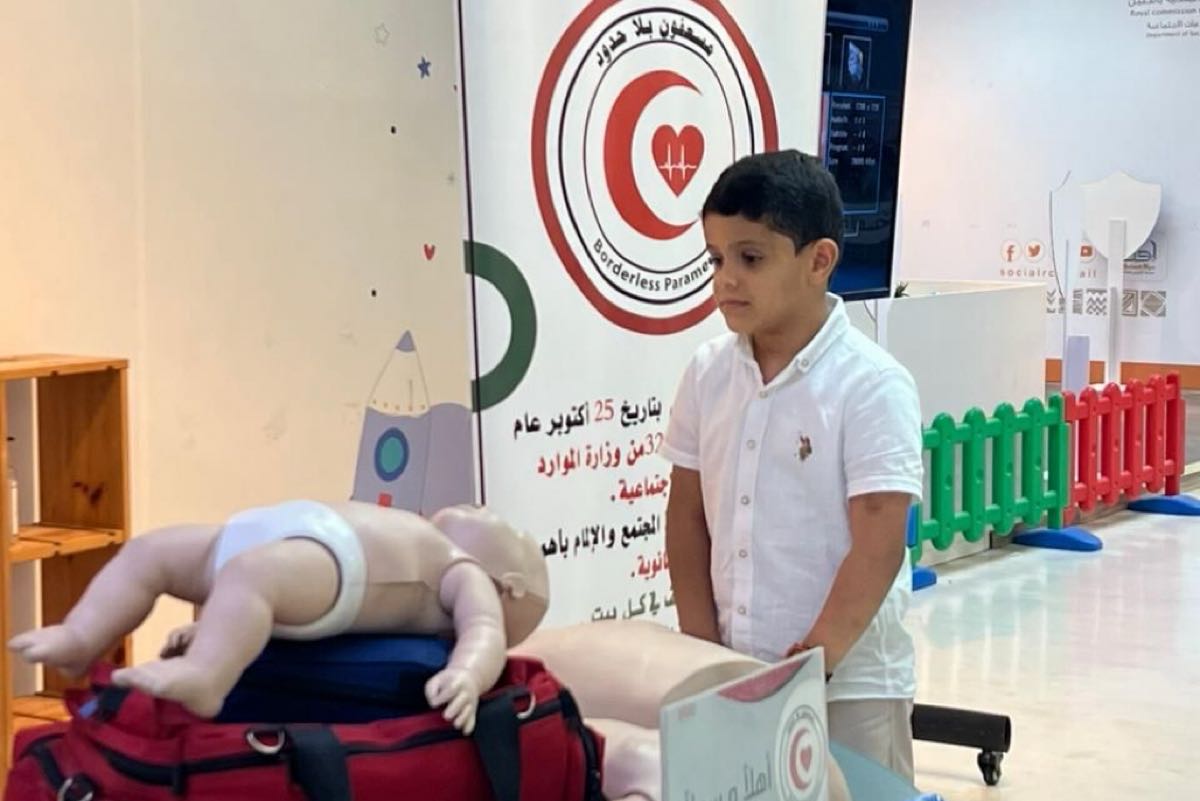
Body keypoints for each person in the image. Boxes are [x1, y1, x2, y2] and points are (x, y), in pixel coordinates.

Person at [659, 149, 924, 779]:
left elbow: (879, 542)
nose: (726, 279)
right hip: (732, 675)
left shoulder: (871, 384)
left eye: (750, 259)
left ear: (819, 260)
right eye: (716, 259)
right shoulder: (707, 373)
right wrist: (704, 656)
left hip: (848, 686)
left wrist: (812, 664)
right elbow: (686, 518)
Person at [8, 500, 549, 734]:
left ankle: (206, 678)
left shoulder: (463, 571)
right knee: (150, 552)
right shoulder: (425, 531)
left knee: (252, 578)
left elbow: (484, 632)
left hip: (341, 567)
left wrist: (466, 674)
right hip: (288, 537)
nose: (481, 507)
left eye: (502, 523)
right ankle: (81, 636)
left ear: (512, 585)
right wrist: (219, 625)